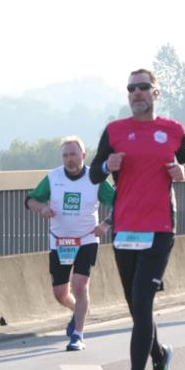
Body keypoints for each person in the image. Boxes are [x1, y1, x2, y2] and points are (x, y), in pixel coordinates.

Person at [90, 69, 185, 370]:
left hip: (160, 230)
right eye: (131, 89)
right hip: (124, 231)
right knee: (137, 308)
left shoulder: (173, 130)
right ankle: (160, 354)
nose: (136, 93)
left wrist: (184, 170)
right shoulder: (114, 131)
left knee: (143, 303)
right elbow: (93, 172)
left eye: (143, 88)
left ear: (156, 92)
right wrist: (107, 163)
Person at [26, 136, 115, 350]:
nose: (69, 160)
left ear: (83, 156)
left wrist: (105, 224)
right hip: (59, 242)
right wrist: (42, 209)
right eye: (65, 155)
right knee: (60, 293)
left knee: (80, 285)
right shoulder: (53, 177)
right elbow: (30, 200)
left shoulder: (96, 178)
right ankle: (79, 311)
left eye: (73, 154)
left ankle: (78, 335)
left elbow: (120, 203)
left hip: (86, 240)